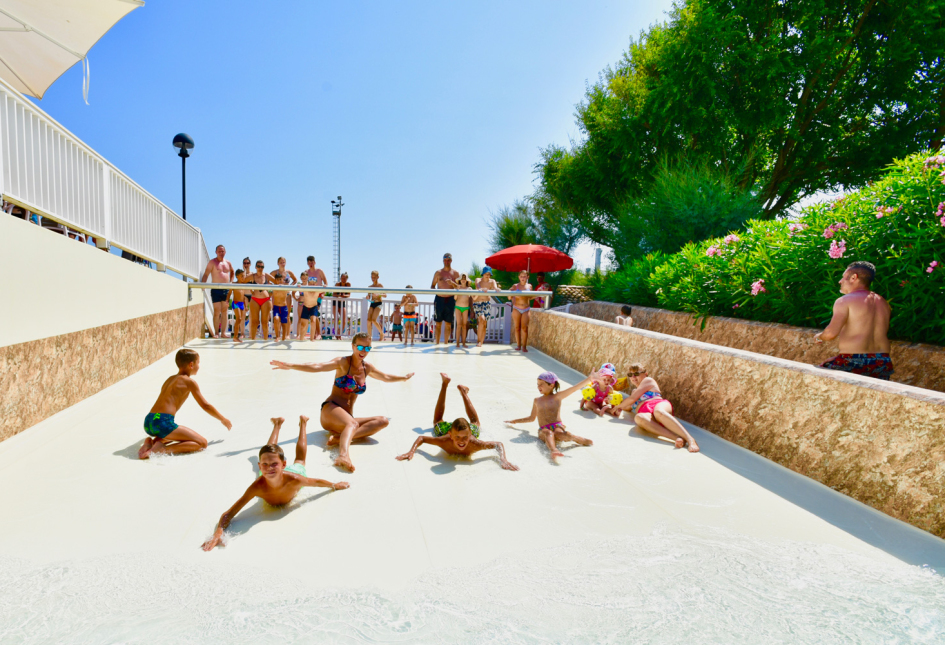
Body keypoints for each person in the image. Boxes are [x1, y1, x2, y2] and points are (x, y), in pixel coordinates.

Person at [200, 416, 349, 551]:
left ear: (283, 464)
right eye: (264, 464)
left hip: (291, 474)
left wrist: (334, 485)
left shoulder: (295, 479)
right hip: (265, 477)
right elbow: (229, 513)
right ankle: (277, 424)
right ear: (260, 466)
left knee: (300, 460)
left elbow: (315, 482)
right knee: (268, 451)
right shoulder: (257, 486)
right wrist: (217, 533)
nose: (269, 468)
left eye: (274, 464)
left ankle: (303, 423)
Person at [270, 332, 414, 472]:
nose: (363, 351)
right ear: (353, 346)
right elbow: (318, 366)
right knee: (352, 423)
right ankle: (343, 455)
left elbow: (385, 377)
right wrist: (290, 365)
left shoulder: (367, 368)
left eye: (367, 348)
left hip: (346, 419)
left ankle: (338, 438)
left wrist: (403, 378)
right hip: (330, 411)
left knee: (383, 421)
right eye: (360, 347)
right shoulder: (343, 362)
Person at [396, 373, 518, 470]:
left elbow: (498, 445)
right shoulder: (444, 441)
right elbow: (421, 438)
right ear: (451, 435)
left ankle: (463, 392)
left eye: (465, 437)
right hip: (453, 429)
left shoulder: (475, 443)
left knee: (475, 423)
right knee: (437, 421)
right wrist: (411, 451)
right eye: (457, 437)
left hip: (463, 429)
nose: (461, 441)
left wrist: (503, 459)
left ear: (470, 435)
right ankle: (445, 384)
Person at [138, 349, 232, 459]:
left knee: (172, 433)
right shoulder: (189, 382)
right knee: (202, 443)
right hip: (162, 422)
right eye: (198, 363)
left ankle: (150, 442)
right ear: (191, 364)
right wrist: (222, 419)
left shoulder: (170, 379)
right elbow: (205, 405)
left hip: (149, 421)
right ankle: (162, 449)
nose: (199, 366)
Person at [814, 261, 894, 380]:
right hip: (881, 361)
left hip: (852, 361)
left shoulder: (845, 300)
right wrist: (839, 358)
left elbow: (830, 334)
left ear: (853, 277)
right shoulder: (882, 302)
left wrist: (819, 336)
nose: (840, 281)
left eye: (843, 277)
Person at [607, 363, 700, 452]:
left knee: (658, 411)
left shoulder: (648, 380)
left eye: (636, 373)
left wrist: (619, 406)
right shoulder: (634, 391)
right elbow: (628, 407)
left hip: (658, 404)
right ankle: (677, 438)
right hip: (648, 414)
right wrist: (617, 408)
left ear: (645, 374)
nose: (633, 377)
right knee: (639, 417)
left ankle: (690, 439)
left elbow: (632, 399)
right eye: (630, 374)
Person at [505, 370, 595, 462]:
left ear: (551, 385)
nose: (538, 386)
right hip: (544, 429)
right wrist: (515, 421)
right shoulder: (537, 400)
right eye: (537, 384)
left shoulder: (557, 397)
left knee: (561, 433)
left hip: (557, 426)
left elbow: (574, 388)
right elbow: (531, 418)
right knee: (549, 433)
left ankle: (576, 438)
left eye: (541, 384)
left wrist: (589, 379)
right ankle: (554, 450)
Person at [201, 244, 234, 339]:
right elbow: (206, 274)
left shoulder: (228, 263)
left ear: (225, 252)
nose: (221, 253)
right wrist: (203, 285)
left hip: (226, 290)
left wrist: (231, 282)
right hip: (216, 289)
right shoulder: (212, 262)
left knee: (225, 311)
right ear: (216, 252)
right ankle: (216, 333)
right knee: (217, 311)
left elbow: (232, 271)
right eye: (219, 251)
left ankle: (223, 333)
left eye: (223, 251)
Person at [431, 253, 460, 344]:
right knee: (438, 323)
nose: (446, 261)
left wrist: (452, 284)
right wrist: (437, 292)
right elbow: (432, 286)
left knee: (448, 324)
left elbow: (459, 287)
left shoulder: (455, 273)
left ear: (451, 260)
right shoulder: (438, 272)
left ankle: (446, 344)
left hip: (450, 300)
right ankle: (437, 344)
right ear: (443, 260)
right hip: (439, 300)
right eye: (445, 259)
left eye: (448, 260)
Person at [248, 260, 274, 340]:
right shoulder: (252, 276)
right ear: (255, 267)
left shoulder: (266, 275)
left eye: (262, 267)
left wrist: (271, 291)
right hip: (255, 299)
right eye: (258, 266)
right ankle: (253, 340)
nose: (260, 268)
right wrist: (250, 289)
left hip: (265, 300)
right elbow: (242, 281)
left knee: (265, 322)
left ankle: (265, 340)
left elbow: (277, 282)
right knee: (254, 322)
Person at [473, 267, 498, 347]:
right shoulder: (478, 280)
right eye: (486, 274)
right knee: (482, 319)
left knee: (484, 323)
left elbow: (495, 287)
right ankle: (478, 341)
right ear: (483, 274)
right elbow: (477, 286)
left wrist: (497, 289)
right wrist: (481, 288)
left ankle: (481, 342)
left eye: (489, 274)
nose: (487, 275)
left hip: (487, 303)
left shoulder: (492, 281)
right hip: (478, 303)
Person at [509, 270, 533, 352]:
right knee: (517, 327)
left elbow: (530, 297)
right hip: (517, 308)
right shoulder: (515, 286)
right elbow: (509, 296)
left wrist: (540, 293)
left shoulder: (529, 286)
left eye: (524, 276)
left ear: (527, 277)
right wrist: (510, 293)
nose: (523, 278)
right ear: (519, 277)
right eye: (521, 276)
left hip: (526, 308)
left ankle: (524, 346)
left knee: (524, 328)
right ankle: (518, 345)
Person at [297, 271, 323, 341]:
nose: (312, 285)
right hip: (306, 307)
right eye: (310, 283)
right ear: (308, 284)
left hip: (313, 307)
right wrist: (299, 286)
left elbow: (324, 290)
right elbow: (300, 288)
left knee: (313, 321)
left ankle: (312, 339)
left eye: (313, 284)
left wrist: (324, 287)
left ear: (316, 284)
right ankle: (301, 339)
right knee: (303, 325)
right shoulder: (305, 288)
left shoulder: (318, 290)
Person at [452, 274, 473, 348]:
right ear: (460, 280)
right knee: (459, 325)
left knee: (464, 326)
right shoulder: (457, 288)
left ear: (467, 280)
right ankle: (457, 343)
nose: (463, 279)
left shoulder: (469, 288)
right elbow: (455, 298)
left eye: (465, 278)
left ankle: (463, 343)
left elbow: (471, 297)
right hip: (458, 307)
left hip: (466, 308)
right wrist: (457, 290)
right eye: (462, 278)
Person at [271, 272, 293, 341]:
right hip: (276, 307)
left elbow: (292, 289)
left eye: (280, 279)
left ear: (282, 280)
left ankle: (283, 338)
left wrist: (298, 285)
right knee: (276, 319)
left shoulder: (285, 287)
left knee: (284, 323)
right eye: (277, 280)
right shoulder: (273, 287)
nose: (279, 281)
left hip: (284, 307)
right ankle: (277, 336)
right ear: (275, 280)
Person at [367, 270, 386, 341]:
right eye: (372, 277)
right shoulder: (370, 287)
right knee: (368, 320)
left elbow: (385, 295)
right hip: (372, 303)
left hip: (379, 303)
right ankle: (369, 337)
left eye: (374, 277)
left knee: (373, 320)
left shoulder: (380, 285)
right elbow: (369, 296)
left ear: (378, 277)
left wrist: (379, 294)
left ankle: (381, 333)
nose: (373, 278)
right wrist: (367, 297)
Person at [333, 272, 352, 339]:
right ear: (340, 278)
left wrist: (344, 296)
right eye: (342, 278)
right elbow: (333, 294)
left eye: (345, 278)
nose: (343, 279)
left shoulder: (348, 284)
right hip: (335, 302)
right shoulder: (338, 284)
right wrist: (339, 295)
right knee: (336, 318)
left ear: (347, 278)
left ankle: (339, 334)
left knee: (344, 320)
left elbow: (349, 295)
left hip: (342, 302)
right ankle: (337, 335)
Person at [231, 269, 247, 342]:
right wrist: (227, 300)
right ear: (237, 276)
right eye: (241, 276)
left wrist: (246, 306)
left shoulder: (243, 285)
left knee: (240, 320)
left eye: (244, 276)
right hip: (236, 302)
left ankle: (236, 337)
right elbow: (229, 293)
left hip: (241, 304)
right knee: (239, 318)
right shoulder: (234, 284)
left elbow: (243, 296)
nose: (243, 277)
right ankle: (235, 337)